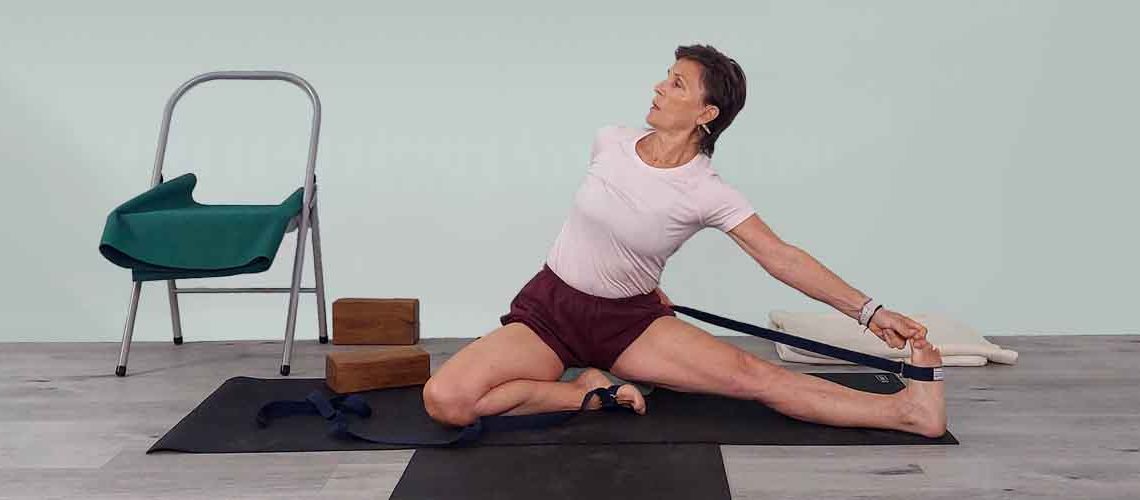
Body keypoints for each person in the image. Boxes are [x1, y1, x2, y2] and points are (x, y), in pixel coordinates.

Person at [423, 44, 946, 438]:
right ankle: (585, 392)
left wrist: (870, 311)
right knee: (446, 401)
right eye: (665, 78)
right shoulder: (611, 140)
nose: (657, 87)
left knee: (751, 376)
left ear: (706, 114)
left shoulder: (706, 192)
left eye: (676, 84)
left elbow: (780, 257)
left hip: (628, 324)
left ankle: (906, 410)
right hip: (551, 309)